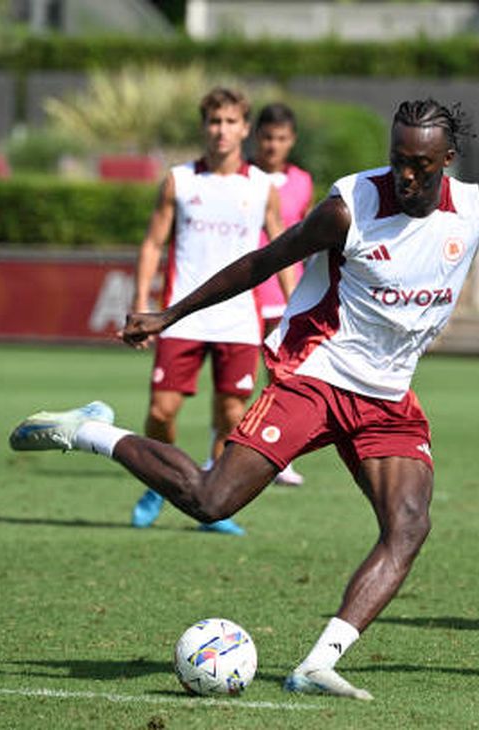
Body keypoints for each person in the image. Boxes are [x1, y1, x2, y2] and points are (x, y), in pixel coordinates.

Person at [9, 98, 479, 701]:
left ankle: (318, 663)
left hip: (386, 397)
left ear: (447, 162)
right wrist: (170, 314)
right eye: (397, 161)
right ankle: (88, 431)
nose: (405, 177)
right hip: (316, 374)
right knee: (210, 501)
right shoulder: (348, 207)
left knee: (409, 524)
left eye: (419, 166)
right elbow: (261, 262)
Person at [128, 87, 283, 535]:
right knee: (161, 410)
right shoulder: (180, 180)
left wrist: (293, 311)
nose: (222, 130)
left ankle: (212, 499)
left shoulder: (261, 187)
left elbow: (282, 250)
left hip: (238, 320)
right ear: (204, 126)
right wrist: (143, 304)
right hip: (181, 315)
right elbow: (153, 243)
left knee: (232, 416)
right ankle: (159, 482)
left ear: (245, 128)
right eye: (214, 122)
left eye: (231, 122)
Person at [251, 101, 315, 487]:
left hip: (289, 283)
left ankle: (278, 453)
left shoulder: (302, 181)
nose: (274, 145)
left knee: (283, 372)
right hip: (250, 285)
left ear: (291, 141)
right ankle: (220, 448)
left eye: (281, 138)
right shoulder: (245, 178)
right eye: (268, 137)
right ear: (258, 137)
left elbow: (301, 230)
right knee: (236, 377)